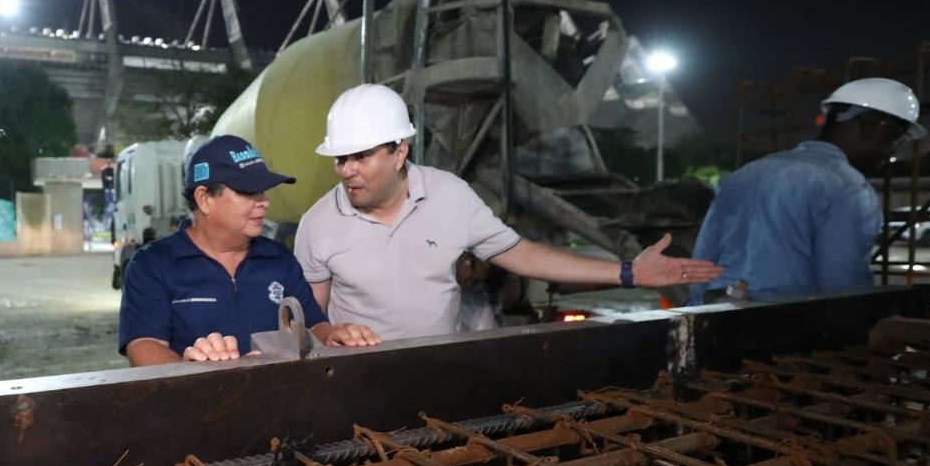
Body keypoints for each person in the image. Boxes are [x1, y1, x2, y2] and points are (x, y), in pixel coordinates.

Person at [295, 84, 722, 340]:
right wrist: (329, 335)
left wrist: (626, 273)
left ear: (399, 150)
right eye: (339, 159)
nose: (346, 170)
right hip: (358, 379)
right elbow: (312, 320)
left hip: (438, 371)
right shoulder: (319, 223)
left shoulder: (450, 196)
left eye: (360, 156)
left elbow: (524, 255)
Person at [119, 135, 380, 365]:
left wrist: (332, 335)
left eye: (263, 192)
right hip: (194, 410)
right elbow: (144, 347)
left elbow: (312, 325)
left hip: (275, 405)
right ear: (204, 198)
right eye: (248, 193)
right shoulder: (153, 265)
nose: (264, 202)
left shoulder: (278, 259)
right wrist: (192, 373)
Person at [688, 77, 926, 304]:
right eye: (895, 139)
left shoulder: (745, 174)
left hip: (714, 322)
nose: (890, 152)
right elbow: (844, 290)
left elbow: (701, 264)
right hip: (784, 334)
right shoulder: (848, 188)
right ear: (869, 125)